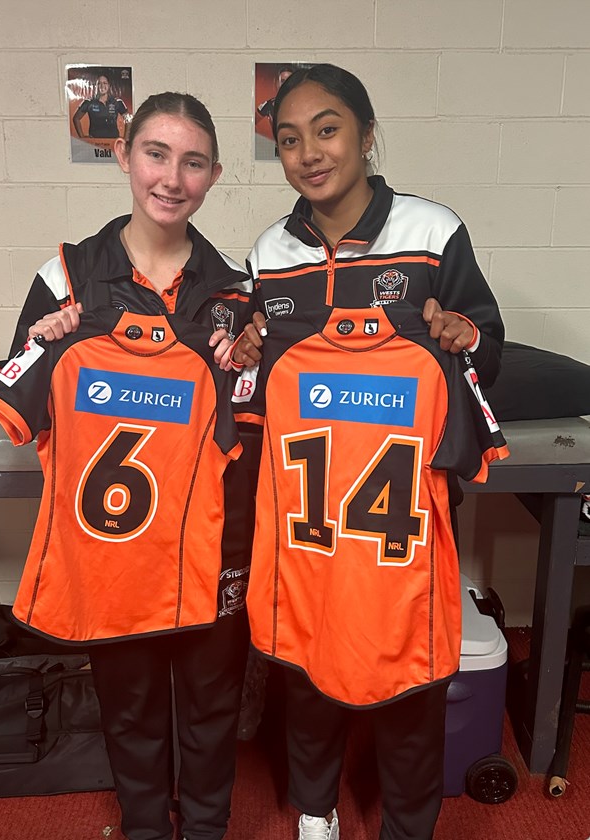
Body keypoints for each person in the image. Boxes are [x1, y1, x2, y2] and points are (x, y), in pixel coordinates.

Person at [232, 64, 506, 840]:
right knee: (308, 672)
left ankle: (408, 824)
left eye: (326, 130)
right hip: (309, 520)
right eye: (288, 140)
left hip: (399, 522)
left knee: (409, 677)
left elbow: (484, 347)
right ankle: (314, 815)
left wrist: (465, 335)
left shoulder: (429, 231)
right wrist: (250, 349)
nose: (309, 153)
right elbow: (262, 374)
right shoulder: (269, 251)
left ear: (365, 133)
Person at [10, 91, 257, 840]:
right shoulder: (66, 279)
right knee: (130, 701)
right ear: (123, 155)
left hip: (216, 541)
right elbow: (23, 390)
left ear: (212, 175)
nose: (170, 178)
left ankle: (207, 827)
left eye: (191, 162)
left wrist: (250, 360)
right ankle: (147, 825)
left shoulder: (236, 293)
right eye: (155, 154)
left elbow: (257, 420)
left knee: (214, 701)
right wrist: (46, 341)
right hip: (115, 546)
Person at [72, 71, 129, 139]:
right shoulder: (89, 102)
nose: (102, 86)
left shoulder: (117, 102)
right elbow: (76, 118)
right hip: (95, 144)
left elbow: (129, 119)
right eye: (99, 83)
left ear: (109, 85)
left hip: (113, 143)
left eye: (105, 83)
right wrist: (82, 137)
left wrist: (126, 139)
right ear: (95, 86)